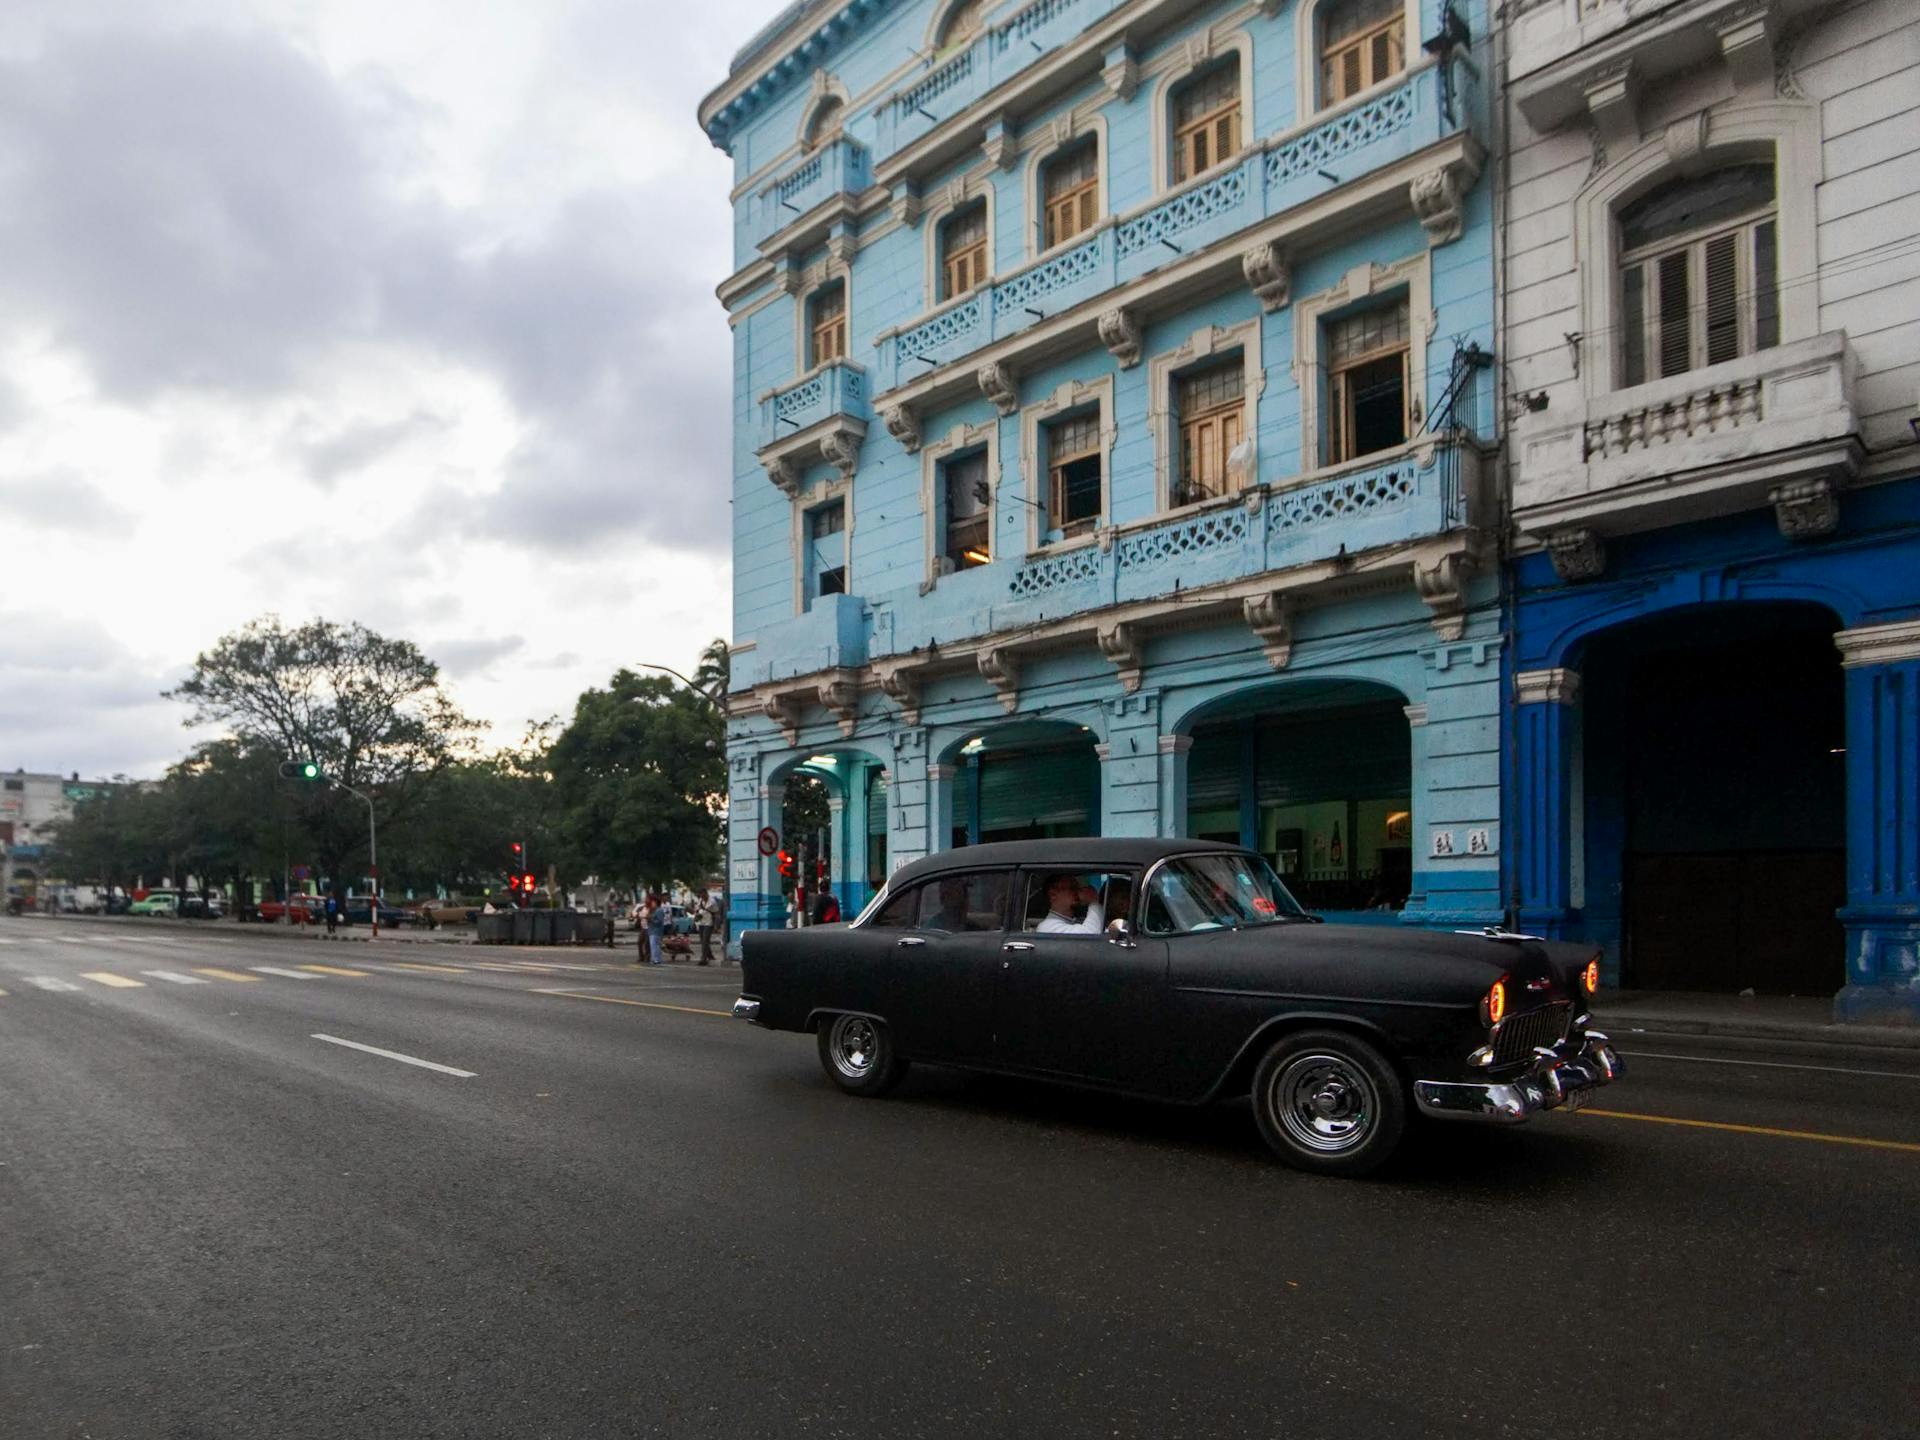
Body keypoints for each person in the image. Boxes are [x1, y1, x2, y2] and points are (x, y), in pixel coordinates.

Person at [1036, 874, 1103, 935]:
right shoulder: (1047, 927)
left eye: (1078, 888)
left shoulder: (1075, 921)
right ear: (1053, 894)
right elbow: (1091, 935)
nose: (1077, 892)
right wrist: (1093, 901)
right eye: (1072, 888)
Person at [646, 893, 668, 965]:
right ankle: (655, 959)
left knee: (655, 945)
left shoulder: (659, 910)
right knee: (653, 946)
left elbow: (659, 922)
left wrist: (650, 919)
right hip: (652, 931)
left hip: (656, 931)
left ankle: (657, 959)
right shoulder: (653, 910)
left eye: (652, 902)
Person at [694, 896, 715, 965]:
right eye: (700, 894)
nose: (701, 896)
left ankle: (703, 959)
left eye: (702, 894)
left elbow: (715, 911)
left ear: (705, 893)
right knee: (703, 941)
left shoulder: (712, 901)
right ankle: (710, 955)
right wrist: (697, 913)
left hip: (709, 923)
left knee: (705, 940)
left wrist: (705, 908)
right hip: (701, 923)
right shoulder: (700, 900)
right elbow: (697, 909)